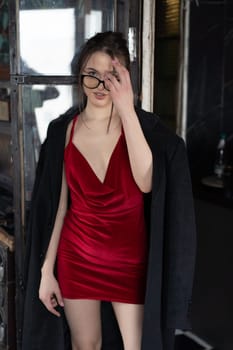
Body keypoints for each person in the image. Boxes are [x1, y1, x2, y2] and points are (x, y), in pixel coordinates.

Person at [22, 32, 196, 350]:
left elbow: (147, 183)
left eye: (111, 77)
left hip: (130, 261)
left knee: (136, 346)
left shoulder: (142, 131)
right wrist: (48, 271)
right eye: (93, 75)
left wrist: (127, 109)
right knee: (84, 344)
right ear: (81, 76)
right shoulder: (64, 130)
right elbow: (61, 206)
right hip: (77, 256)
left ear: (124, 80)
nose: (101, 86)